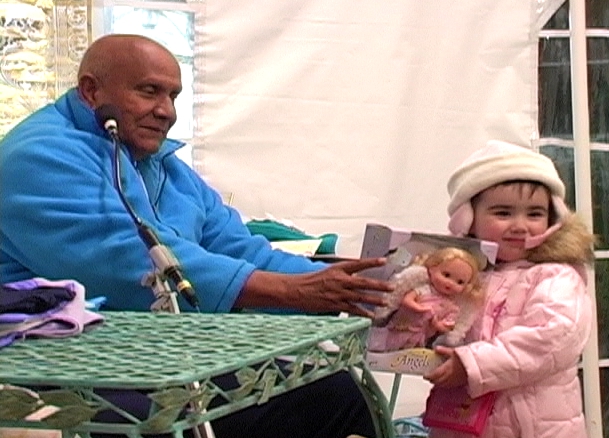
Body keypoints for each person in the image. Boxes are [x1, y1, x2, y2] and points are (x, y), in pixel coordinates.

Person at [0, 34, 395, 438]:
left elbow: (239, 247)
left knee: (333, 392)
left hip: (144, 357)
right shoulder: (37, 156)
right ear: (91, 91)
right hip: (52, 371)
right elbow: (133, 263)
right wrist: (297, 292)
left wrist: (366, 289)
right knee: (302, 403)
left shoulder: (159, 164)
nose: (166, 111)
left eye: (173, 96)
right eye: (149, 91)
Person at [424, 140, 595, 438]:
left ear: (553, 217)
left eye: (534, 214)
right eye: (503, 213)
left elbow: (553, 336)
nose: (520, 226)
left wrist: (471, 365)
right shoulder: (461, 277)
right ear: (468, 219)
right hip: (461, 425)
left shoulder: (555, 275)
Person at [368, 247, 483, 352]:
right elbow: (406, 300)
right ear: (432, 269)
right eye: (446, 275)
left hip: (420, 336)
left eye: (460, 282)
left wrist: (438, 325)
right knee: (385, 346)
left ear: (466, 287)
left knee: (410, 354)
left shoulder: (452, 307)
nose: (450, 283)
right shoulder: (424, 289)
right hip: (400, 327)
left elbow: (447, 326)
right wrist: (418, 307)